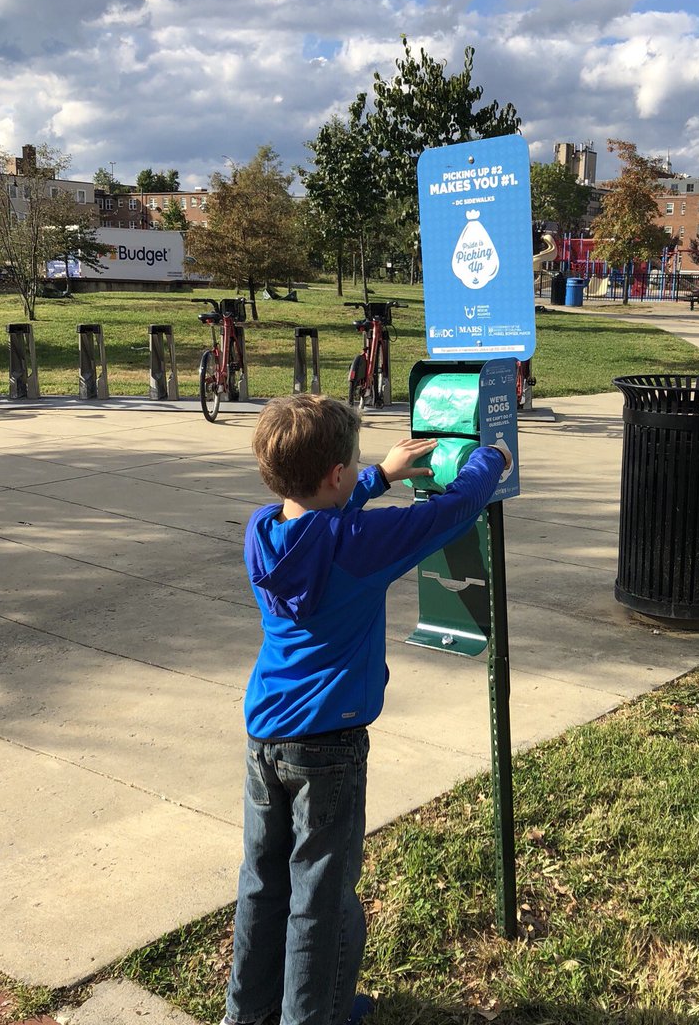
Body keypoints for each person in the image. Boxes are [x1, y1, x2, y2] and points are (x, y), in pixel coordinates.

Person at [223, 394, 509, 1025]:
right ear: (334, 475)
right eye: (351, 463)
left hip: (265, 735)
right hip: (329, 747)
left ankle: (245, 1016)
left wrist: (379, 474)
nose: (356, 470)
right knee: (319, 900)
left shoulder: (263, 531)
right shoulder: (358, 542)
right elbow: (451, 513)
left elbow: (316, 525)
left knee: (263, 885)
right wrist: (492, 458)